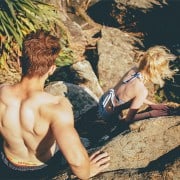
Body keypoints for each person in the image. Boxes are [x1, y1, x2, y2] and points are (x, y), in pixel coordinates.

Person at [0, 29, 110, 179]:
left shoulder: (2, 93)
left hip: (7, 164)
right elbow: (77, 162)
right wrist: (87, 172)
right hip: (40, 170)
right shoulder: (56, 107)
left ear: (19, 62)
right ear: (52, 69)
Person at [98, 45, 176, 125]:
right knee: (117, 123)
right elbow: (128, 119)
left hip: (103, 100)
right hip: (106, 114)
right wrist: (151, 114)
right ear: (156, 72)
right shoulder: (142, 91)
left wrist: (152, 104)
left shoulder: (133, 70)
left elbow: (130, 95)